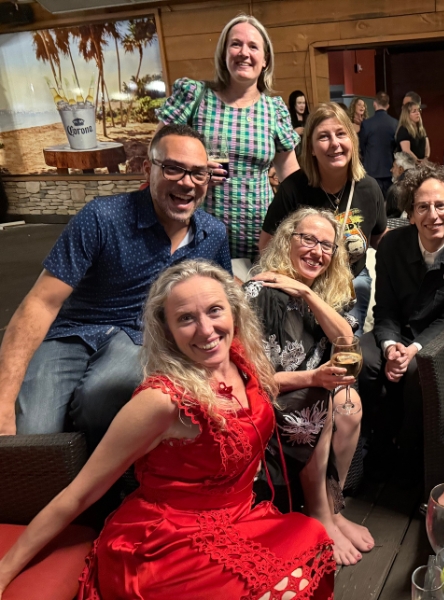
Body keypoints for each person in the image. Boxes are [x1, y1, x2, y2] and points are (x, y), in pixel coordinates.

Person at [0, 260, 335, 599]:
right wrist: (4, 571)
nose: (206, 330)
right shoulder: (162, 401)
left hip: (238, 519)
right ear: (167, 330)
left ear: (234, 311)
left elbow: (253, 391)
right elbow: (80, 494)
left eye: (215, 310)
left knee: (311, 535)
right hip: (166, 544)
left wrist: (311, 377)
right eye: (186, 318)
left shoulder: (237, 358)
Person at [0, 125, 231, 448]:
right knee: (32, 434)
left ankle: (97, 484)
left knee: (100, 400)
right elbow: (41, 302)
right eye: (173, 169)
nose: (187, 182)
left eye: (198, 173)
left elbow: (224, 300)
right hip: (71, 332)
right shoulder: (102, 218)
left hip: (139, 338)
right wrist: (3, 400)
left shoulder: (212, 234)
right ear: (147, 168)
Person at [246, 208, 374, 566]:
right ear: (287, 240)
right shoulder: (260, 291)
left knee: (350, 404)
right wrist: (313, 379)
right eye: (308, 239)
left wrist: (307, 292)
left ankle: (333, 507)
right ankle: (319, 513)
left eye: (326, 246)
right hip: (274, 395)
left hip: (315, 391)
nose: (317, 251)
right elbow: (252, 379)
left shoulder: (320, 290)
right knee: (325, 400)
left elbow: (346, 340)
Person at [359, 164, 444, 478]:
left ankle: (408, 458)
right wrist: (389, 346)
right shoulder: (391, 245)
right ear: (411, 214)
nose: (433, 215)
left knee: (418, 368)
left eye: (441, 206)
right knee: (363, 359)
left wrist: (412, 349)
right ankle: (365, 452)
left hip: (437, 339)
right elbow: (384, 307)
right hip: (395, 332)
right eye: (423, 207)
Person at [158, 15, 299, 260]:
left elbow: (291, 177)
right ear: (224, 53)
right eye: (236, 44)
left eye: (253, 46)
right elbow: (157, 152)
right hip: (198, 234)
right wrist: (195, 170)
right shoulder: (196, 97)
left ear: (265, 60)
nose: (244, 52)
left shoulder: (274, 109)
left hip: (261, 237)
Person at [259, 103, 387, 335]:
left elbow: (380, 239)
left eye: (341, 134)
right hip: (303, 284)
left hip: (351, 285)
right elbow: (267, 246)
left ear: (352, 141)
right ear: (311, 148)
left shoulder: (369, 188)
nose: (335, 144)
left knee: (345, 354)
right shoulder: (292, 189)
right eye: (323, 137)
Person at [358, 91, 398, 198]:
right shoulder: (395, 123)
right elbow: (396, 147)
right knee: (389, 204)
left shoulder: (366, 124)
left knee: (373, 204)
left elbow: (362, 146)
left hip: (371, 170)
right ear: (388, 106)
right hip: (389, 170)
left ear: (374, 103)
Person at [386, 151, 417, 217]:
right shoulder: (420, 185)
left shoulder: (395, 189)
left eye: (393, 166)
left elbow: (389, 217)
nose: (391, 170)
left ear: (400, 169)